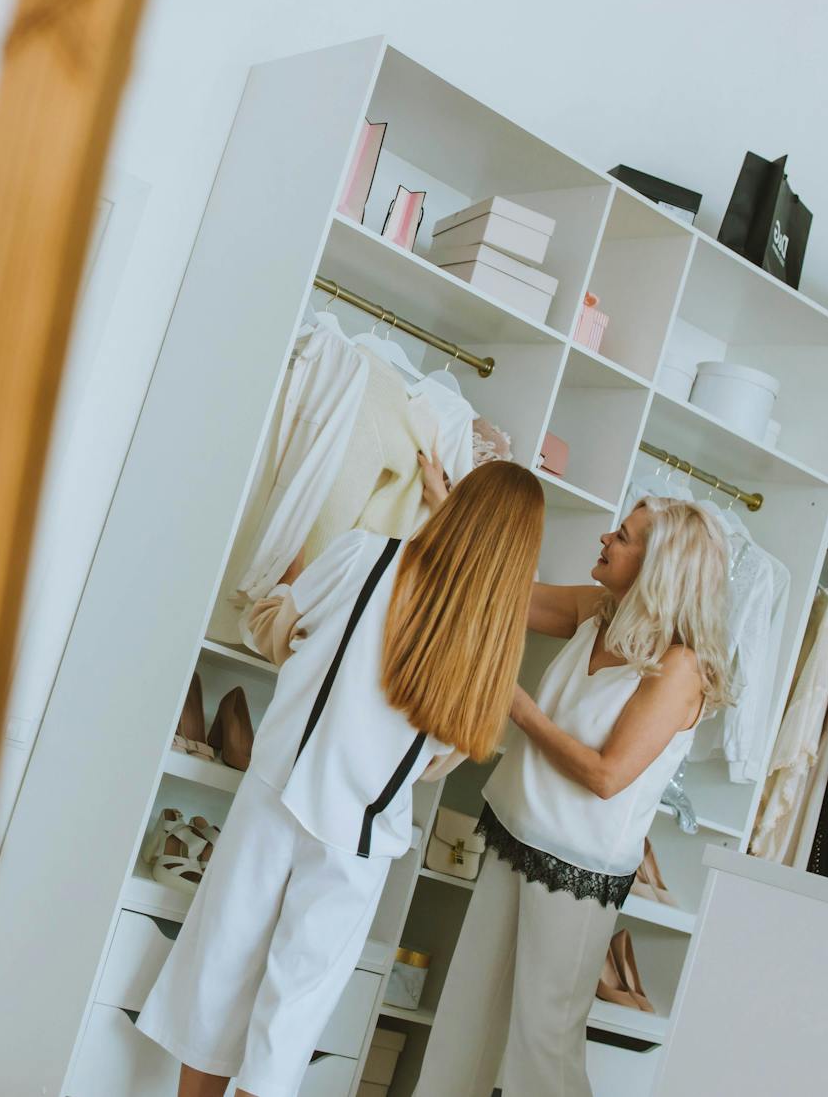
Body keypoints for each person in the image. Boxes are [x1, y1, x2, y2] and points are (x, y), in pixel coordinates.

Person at [137, 453, 545, 1097]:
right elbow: (438, 763)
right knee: (292, 1014)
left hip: (278, 792)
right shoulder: (489, 654)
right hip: (361, 840)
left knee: (219, 968)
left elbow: (274, 631)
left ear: (456, 506)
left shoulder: (366, 557)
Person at [416, 496, 732, 1097]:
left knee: (544, 1043)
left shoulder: (680, 667)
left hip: (577, 870)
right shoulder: (599, 610)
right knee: (468, 1013)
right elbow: (507, 591)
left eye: (625, 537)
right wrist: (450, 502)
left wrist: (516, 704)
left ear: (660, 566)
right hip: (517, 831)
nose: (606, 540)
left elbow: (608, 775)